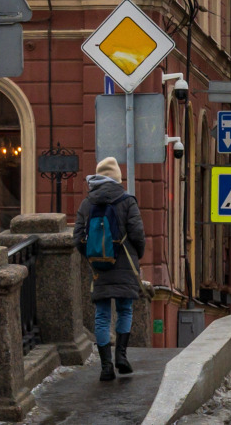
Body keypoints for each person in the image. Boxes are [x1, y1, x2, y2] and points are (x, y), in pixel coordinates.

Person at [73, 157, 146, 382]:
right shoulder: (127, 201)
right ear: (117, 178)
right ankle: (121, 357)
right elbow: (137, 233)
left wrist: (93, 256)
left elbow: (78, 238)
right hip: (125, 263)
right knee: (125, 309)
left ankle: (106, 367)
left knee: (102, 315)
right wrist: (136, 255)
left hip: (99, 268)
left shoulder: (87, 203)